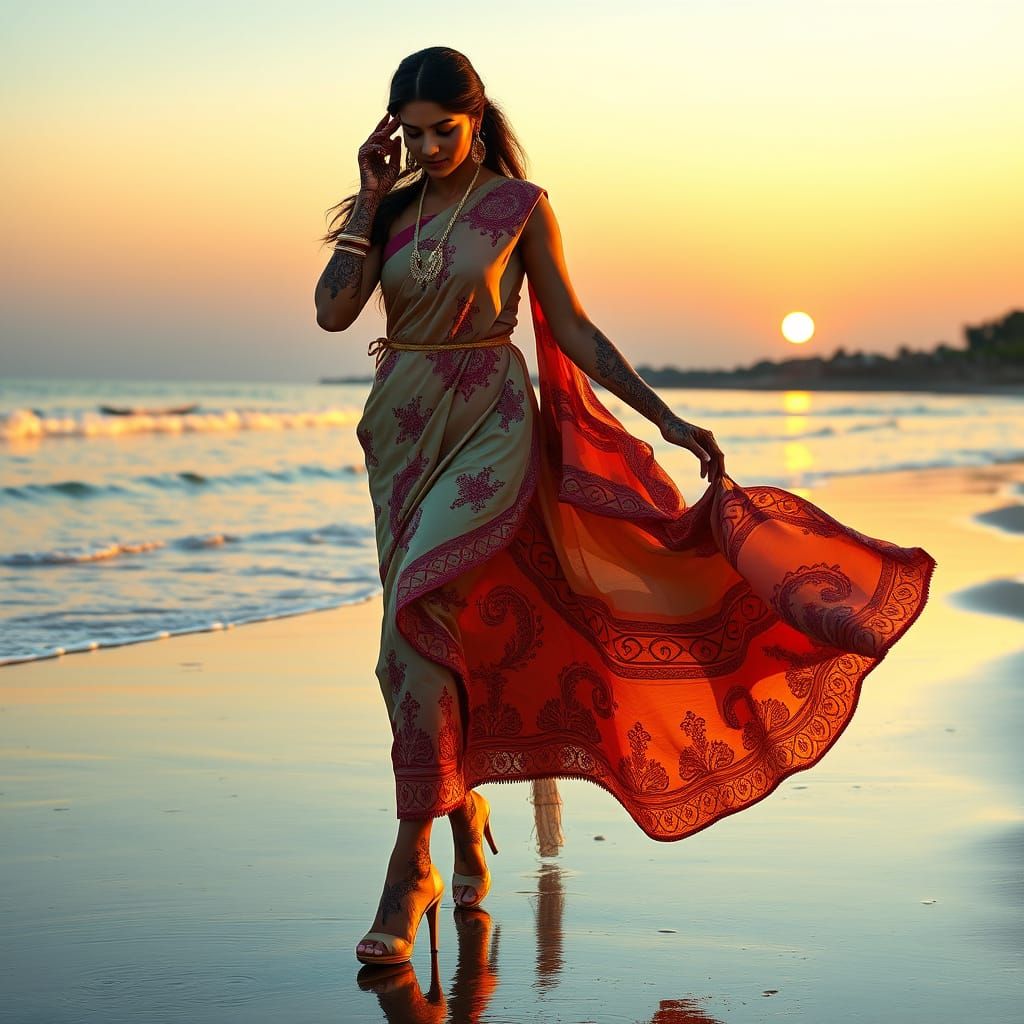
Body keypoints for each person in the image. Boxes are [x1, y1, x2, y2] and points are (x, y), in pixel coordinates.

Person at [314, 47, 936, 968]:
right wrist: (368, 198)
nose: (430, 147)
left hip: (488, 427)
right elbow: (334, 312)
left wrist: (668, 418)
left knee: (406, 628)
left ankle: (411, 868)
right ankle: (463, 803)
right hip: (400, 437)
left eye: (445, 129)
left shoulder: (518, 210)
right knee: (433, 637)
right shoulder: (394, 211)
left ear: (477, 118)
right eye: (411, 134)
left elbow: (572, 328)